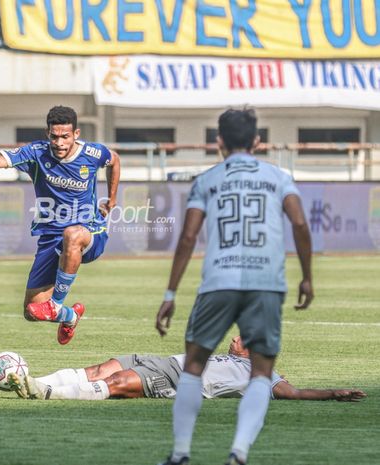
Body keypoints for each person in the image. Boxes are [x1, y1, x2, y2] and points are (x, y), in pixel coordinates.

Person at [154, 108, 313, 465]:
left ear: (219, 142)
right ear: (258, 141)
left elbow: (189, 236)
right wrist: (307, 276)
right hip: (265, 284)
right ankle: (238, 453)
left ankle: (180, 454)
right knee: (260, 371)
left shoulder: (208, 180)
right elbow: (301, 225)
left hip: (219, 281)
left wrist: (170, 293)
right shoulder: (278, 177)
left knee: (194, 366)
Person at [0, 105, 120, 345]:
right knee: (31, 311)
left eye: (65, 137)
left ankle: (56, 304)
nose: (59, 143)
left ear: (76, 134)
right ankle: (70, 316)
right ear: (47, 133)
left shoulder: (93, 154)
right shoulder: (36, 153)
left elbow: (114, 160)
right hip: (51, 240)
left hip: (90, 233)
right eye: (54, 136)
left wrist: (112, 199)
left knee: (72, 234)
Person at [7, 336, 366, 403]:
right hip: (166, 360)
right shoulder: (234, 358)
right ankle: (35, 379)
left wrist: (333, 392)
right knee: (101, 367)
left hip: (178, 379)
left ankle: (45, 393)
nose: (234, 341)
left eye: (240, 340)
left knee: (117, 384)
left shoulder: (263, 376)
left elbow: (294, 393)